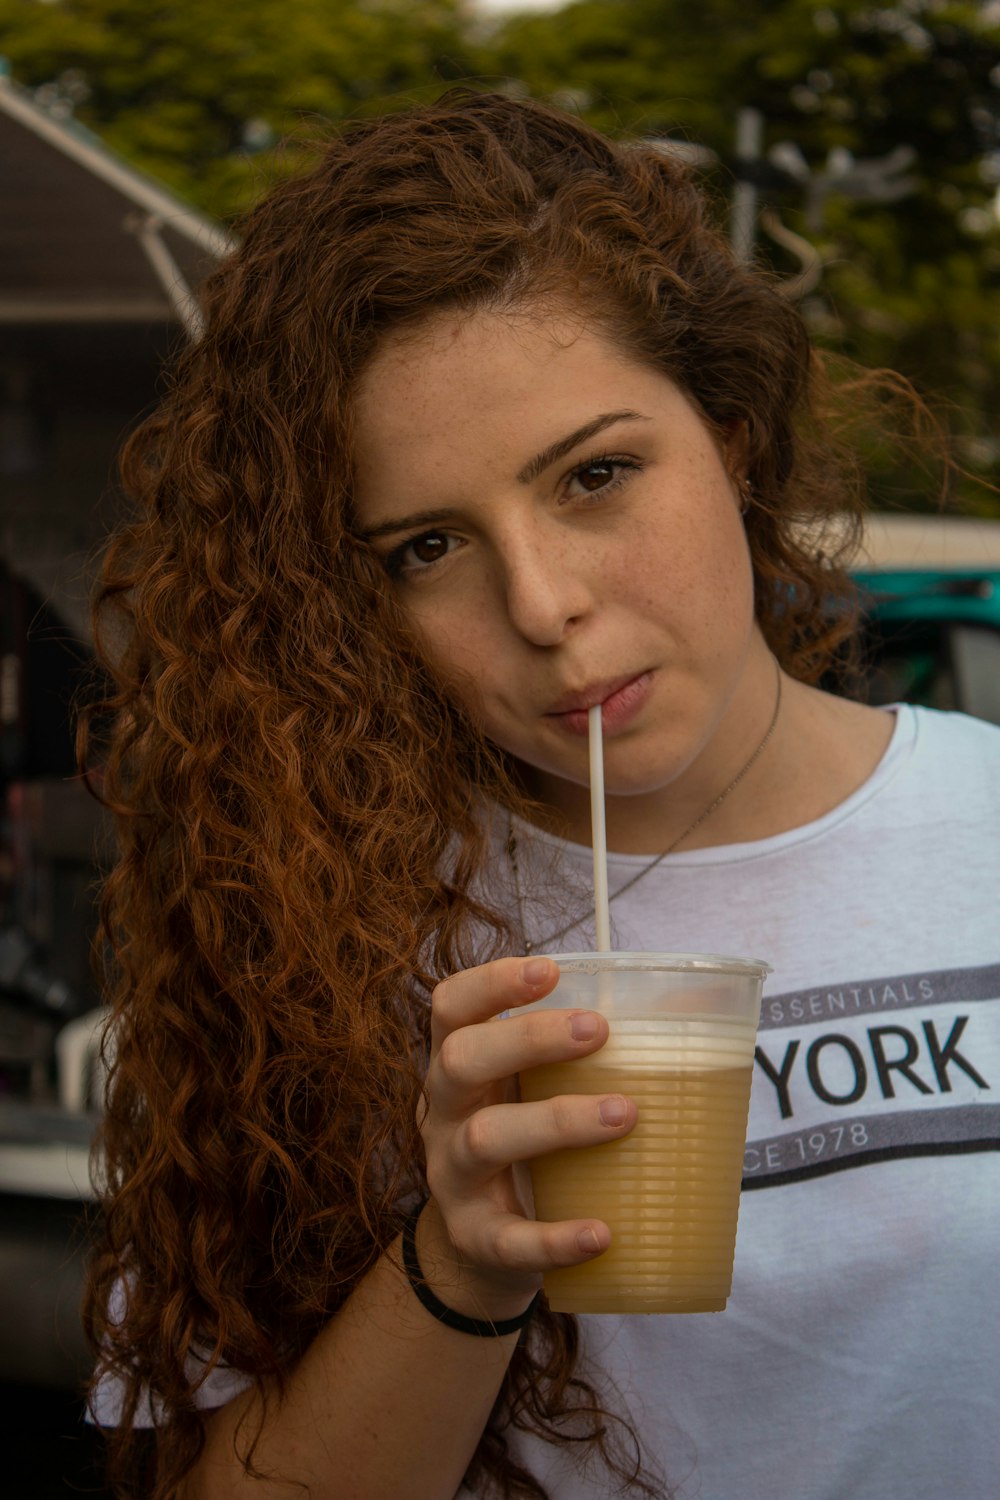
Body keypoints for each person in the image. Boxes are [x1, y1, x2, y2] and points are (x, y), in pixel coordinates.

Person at [82, 89, 1000, 1500]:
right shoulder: (318, 932)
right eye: (427, 545)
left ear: (734, 435)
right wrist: (460, 1260)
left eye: (596, 475)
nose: (542, 602)